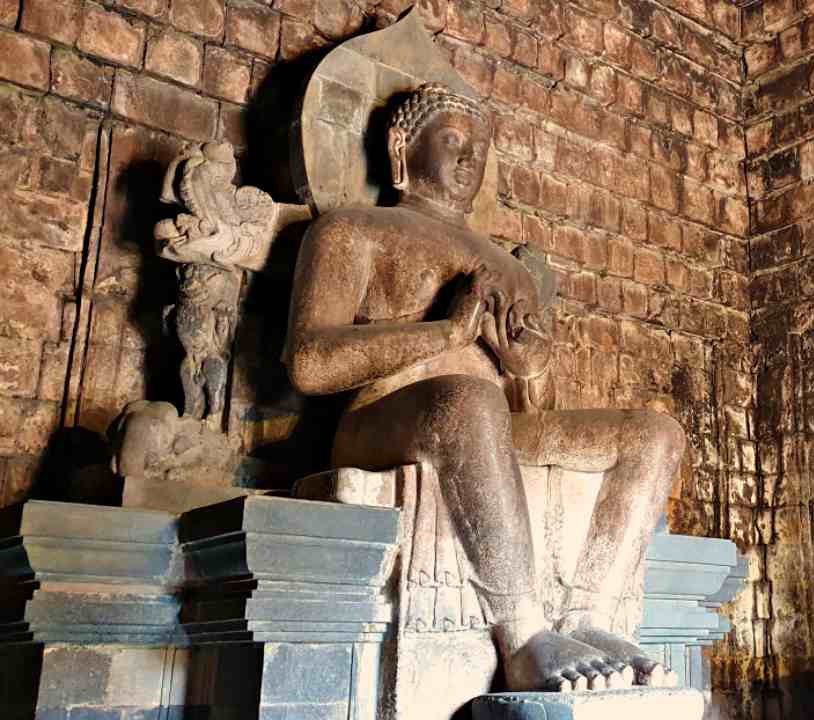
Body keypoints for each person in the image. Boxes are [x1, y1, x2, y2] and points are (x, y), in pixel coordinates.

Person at [284, 83, 684, 691]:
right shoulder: (353, 230)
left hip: (481, 419)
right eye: (452, 141)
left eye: (479, 147)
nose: (468, 158)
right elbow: (310, 364)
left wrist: (524, 362)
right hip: (385, 416)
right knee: (468, 400)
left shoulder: (510, 267)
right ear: (401, 148)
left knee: (654, 434)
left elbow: (528, 412)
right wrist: (445, 332)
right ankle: (523, 631)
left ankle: (589, 615)